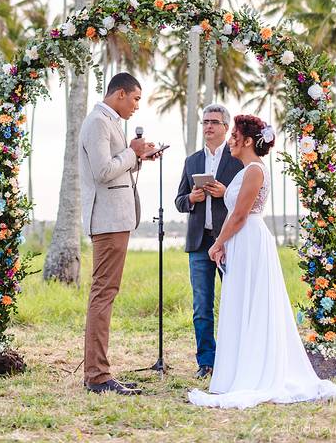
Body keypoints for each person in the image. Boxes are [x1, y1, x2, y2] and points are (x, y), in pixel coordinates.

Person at [188, 114, 336, 408]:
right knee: (240, 302)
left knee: (253, 302)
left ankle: (254, 371)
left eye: (234, 135)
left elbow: (239, 215)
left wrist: (218, 244)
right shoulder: (246, 170)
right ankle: (235, 370)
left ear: (247, 141)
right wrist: (224, 243)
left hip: (249, 240)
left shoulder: (254, 171)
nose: (231, 140)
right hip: (242, 241)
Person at [79, 72, 158, 396]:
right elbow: (102, 171)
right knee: (103, 294)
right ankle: (97, 376)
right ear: (121, 94)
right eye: (136, 98)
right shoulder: (99, 121)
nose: (137, 106)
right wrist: (132, 153)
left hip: (118, 221)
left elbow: (116, 167)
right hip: (108, 221)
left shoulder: (108, 122)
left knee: (106, 293)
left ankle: (98, 372)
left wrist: (140, 157)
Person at [175, 104, 243, 378]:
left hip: (229, 241)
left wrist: (225, 192)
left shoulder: (237, 159)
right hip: (199, 243)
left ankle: (234, 359)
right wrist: (192, 199)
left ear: (226, 127)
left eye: (214, 122)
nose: (208, 127)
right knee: (202, 306)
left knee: (233, 302)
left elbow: (247, 201)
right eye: (205, 122)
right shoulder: (191, 161)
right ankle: (206, 363)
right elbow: (179, 201)